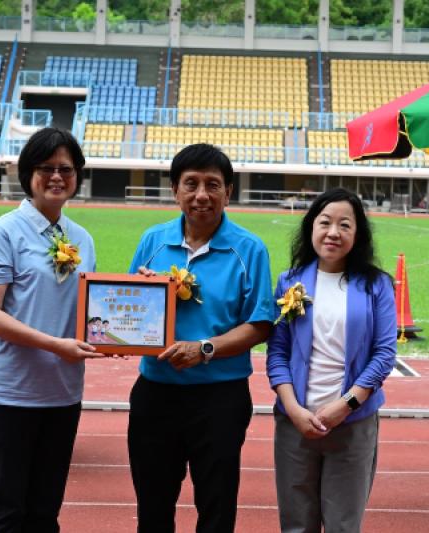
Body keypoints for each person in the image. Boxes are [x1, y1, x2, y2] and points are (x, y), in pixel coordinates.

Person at [128, 143, 274, 533]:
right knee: (152, 507)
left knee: (217, 507)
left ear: (229, 192)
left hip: (220, 398)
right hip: (156, 393)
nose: (201, 195)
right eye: (190, 184)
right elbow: (128, 311)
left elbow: (260, 324)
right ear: (174, 190)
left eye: (213, 184)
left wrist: (205, 349)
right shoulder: (153, 241)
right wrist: (144, 296)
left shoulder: (249, 249)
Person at [0, 127, 103, 531]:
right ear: (28, 174)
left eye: (67, 168)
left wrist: (131, 318)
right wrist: (54, 345)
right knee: (6, 513)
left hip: (62, 395)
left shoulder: (82, 238)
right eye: (47, 168)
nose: (57, 176)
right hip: (8, 395)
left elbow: (91, 311)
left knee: (45, 514)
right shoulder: (4, 233)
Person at [266, 188, 397, 533]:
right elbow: (277, 352)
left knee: (343, 525)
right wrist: (293, 409)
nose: (333, 232)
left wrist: (346, 404)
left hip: (352, 424)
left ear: (358, 233)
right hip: (295, 424)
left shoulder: (377, 285)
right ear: (311, 227)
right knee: (296, 525)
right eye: (325, 222)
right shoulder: (290, 282)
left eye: (345, 225)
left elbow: (384, 354)